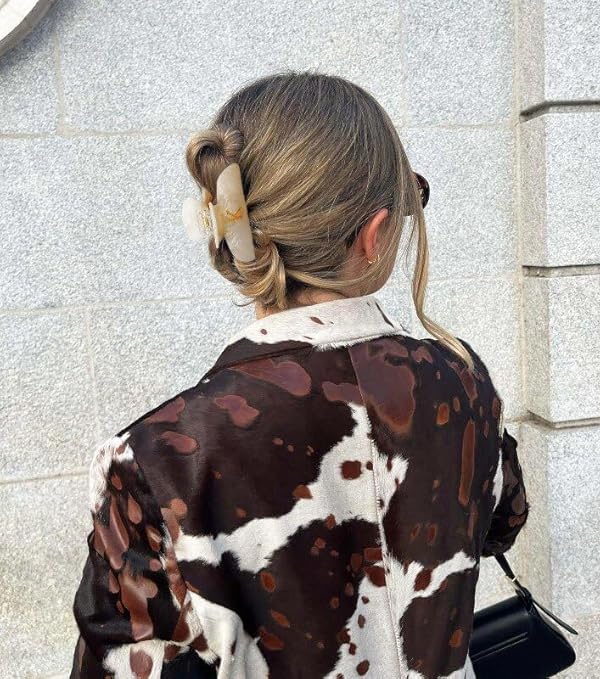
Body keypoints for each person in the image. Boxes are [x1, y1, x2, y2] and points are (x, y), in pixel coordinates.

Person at [69, 71, 529, 679]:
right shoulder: (463, 381)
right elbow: (503, 523)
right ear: (375, 235)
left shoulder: (155, 457)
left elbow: (120, 663)